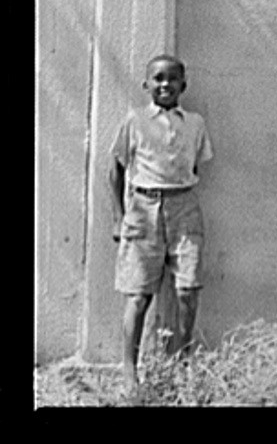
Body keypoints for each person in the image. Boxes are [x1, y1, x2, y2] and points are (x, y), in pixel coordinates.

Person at [109, 54, 214, 399]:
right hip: (143, 208)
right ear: (146, 84)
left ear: (184, 85)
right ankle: (129, 372)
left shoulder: (195, 123)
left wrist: (176, 195)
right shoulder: (135, 121)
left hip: (184, 206)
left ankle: (182, 365)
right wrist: (119, 216)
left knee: (187, 289)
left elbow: (197, 164)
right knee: (139, 295)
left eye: (172, 79)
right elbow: (116, 169)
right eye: (158, 78)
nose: (165, 84)